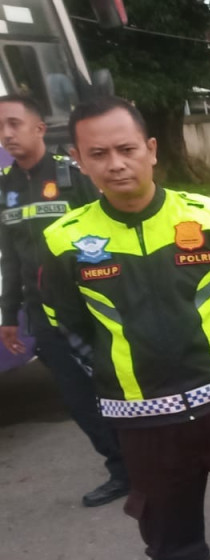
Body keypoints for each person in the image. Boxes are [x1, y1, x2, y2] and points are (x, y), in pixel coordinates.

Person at [39, 96, 210, 560]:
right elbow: (67, 326)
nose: (116, 164)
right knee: (171, 547)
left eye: (127, 149)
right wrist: (114, 373)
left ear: (152, 149)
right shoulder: (63, 241)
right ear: (78, 161)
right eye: (98, 155)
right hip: (144, 420)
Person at [0, 95, 129, 507]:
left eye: (14, 124)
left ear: (39, 128)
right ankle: (122, 470)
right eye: (0, 127)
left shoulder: (73, 177)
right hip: (43, 315)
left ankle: (157, 460)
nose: (6, 134)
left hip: (92, 307)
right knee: (79, 401)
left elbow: (112, 235)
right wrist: (8, 316)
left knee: (122, 387)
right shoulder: (5, 188)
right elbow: (11, 258)